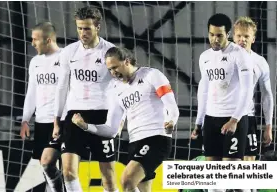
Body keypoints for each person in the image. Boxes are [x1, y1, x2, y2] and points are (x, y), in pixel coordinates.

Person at [71, 46, 180, 192]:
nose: (113, 72)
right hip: (135, 142)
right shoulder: (116, 90)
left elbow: (172, 106)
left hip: (156, 138)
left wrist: (171, 120)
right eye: (109, 69)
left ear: (127, 61)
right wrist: (86, 126)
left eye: (115, 67)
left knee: (126, 180)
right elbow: (111, 130)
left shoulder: (152, 75)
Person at [53, 7, 118, 192]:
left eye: (87, 28)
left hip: (102, 116)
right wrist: (57, 119)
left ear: (97, 27)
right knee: (68, 171)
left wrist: (120, 118)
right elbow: (62, 86)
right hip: (74, 115)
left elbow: (121, 86)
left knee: (108, 176)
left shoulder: (110, 52)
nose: (83, 33)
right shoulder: (68, 52)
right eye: (80, 28)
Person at [191, 13, 254, 162]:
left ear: (228, 34)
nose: (215, 39)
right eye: (211, 34)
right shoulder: (204, 57)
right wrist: (199, 123)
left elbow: (247, 89)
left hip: (233, 118)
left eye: (219, 35)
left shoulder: (240, 55)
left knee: (231, 176)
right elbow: (204, 89)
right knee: (214, 179)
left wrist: (234, 120)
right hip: (211, 119)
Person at [20, 22, 65, 192]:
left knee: (55, 164)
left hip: (61, 121)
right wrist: (25, 119)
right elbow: (31, 92)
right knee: (45, 167)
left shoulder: (65, 57)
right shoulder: (35, 62)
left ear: (48, 40)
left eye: (35, 40)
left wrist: (59, 120)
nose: (32, 43)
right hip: (41, 121)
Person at [233, 16, 273, 161]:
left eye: (246, 36)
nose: (242, 39)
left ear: (253, 39)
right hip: (224, 116)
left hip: (248, 118)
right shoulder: (222, 59)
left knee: (249, 163)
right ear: (233, 37)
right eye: (239, 35)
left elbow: (267, 95)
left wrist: (268, 126)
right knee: (224, 164)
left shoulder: (260, 62)